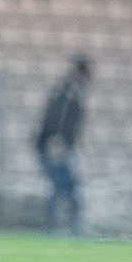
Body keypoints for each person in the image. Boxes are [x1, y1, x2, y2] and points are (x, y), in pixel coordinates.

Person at [36, 56, 91, 235]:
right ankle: (64, 229)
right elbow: (58, 119)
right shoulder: (71, 91)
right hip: (56, 147)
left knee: (64, 187)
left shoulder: (68, 89)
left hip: (57, 145)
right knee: (65, 187)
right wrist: (57, 143)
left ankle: (59, 228)